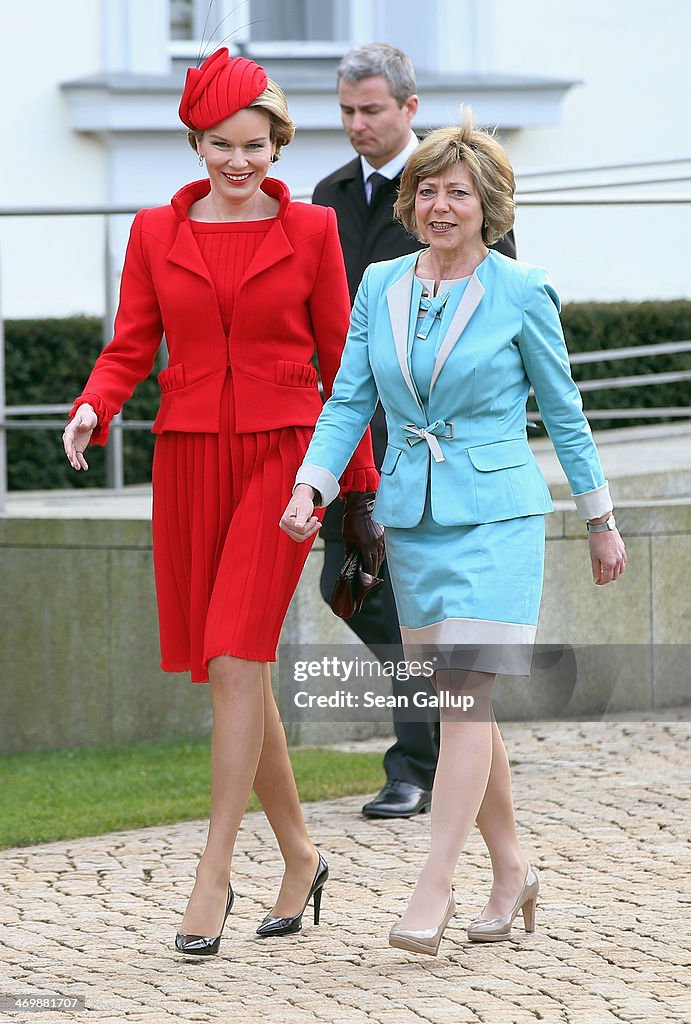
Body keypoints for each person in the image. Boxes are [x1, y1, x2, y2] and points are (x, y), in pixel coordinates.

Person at [281, 112, 627, 956]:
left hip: (499, 517)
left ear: (488, 205)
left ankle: (432, 884)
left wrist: (599, 518)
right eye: (427, 190)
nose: (441, 206)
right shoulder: (381, 286)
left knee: (464, 698)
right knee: (455, 702)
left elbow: (564, 413)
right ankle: (512, 869)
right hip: (412, 521)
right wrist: (311, 486)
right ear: (409, 201)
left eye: (458, 193)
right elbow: (348, 400)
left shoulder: (521, 289)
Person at [62, 47, 382, 956]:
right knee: (232, 669)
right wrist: (94, 405)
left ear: (277, 143)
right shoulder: (154, 232)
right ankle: (300, 854)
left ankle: (213, 874)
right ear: (195, 142)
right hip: (190, 460)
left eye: (255, 144)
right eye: (218, 144)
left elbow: (344, 370)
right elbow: (131, 345)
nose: (237, 162)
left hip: (287, 465)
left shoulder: (316, 231)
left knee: (238, 663)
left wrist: (354, 491)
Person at [312, 42, 516, 820]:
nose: (356, 124)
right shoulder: (326, 194)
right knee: (357, 592)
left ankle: (417, 761)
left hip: (437, 442)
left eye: (370, 109)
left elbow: (499, 304)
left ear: (408, 108)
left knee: (418, 609)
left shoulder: (454, 189)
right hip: (349, 425)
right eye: (346, 111)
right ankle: (462, 729)